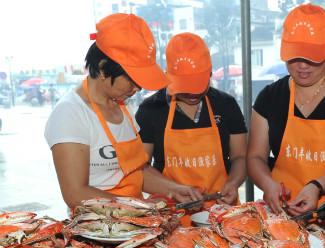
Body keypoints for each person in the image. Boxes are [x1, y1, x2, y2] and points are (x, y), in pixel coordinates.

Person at [45, 13, 202, 209]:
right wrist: (140, 208)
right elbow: (76, 193)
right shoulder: (71, 114)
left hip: (134, 220)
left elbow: (137, 171)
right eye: (132, 79)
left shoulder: (122, 105)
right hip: (99, 227)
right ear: (103, 70)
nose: (137, 88)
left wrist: (175, 189)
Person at [246, 3, 325, 215]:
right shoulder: (269, 97)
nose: (303, 66)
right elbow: (255, 157)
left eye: (312, 57)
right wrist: (267, 184)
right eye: (295, 57)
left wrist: (317, 186)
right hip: (282, 215)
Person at [136, 33, 247, 206]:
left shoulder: (226, 104)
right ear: (168, 75)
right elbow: (140, 167)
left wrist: (233, 183)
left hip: (221, 208)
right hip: (171, 209)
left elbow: (240, 156)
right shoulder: (150, 109)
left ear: (210, 73)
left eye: (198, 85)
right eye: (185, 87)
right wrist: (173, 189)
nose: (193, 94)